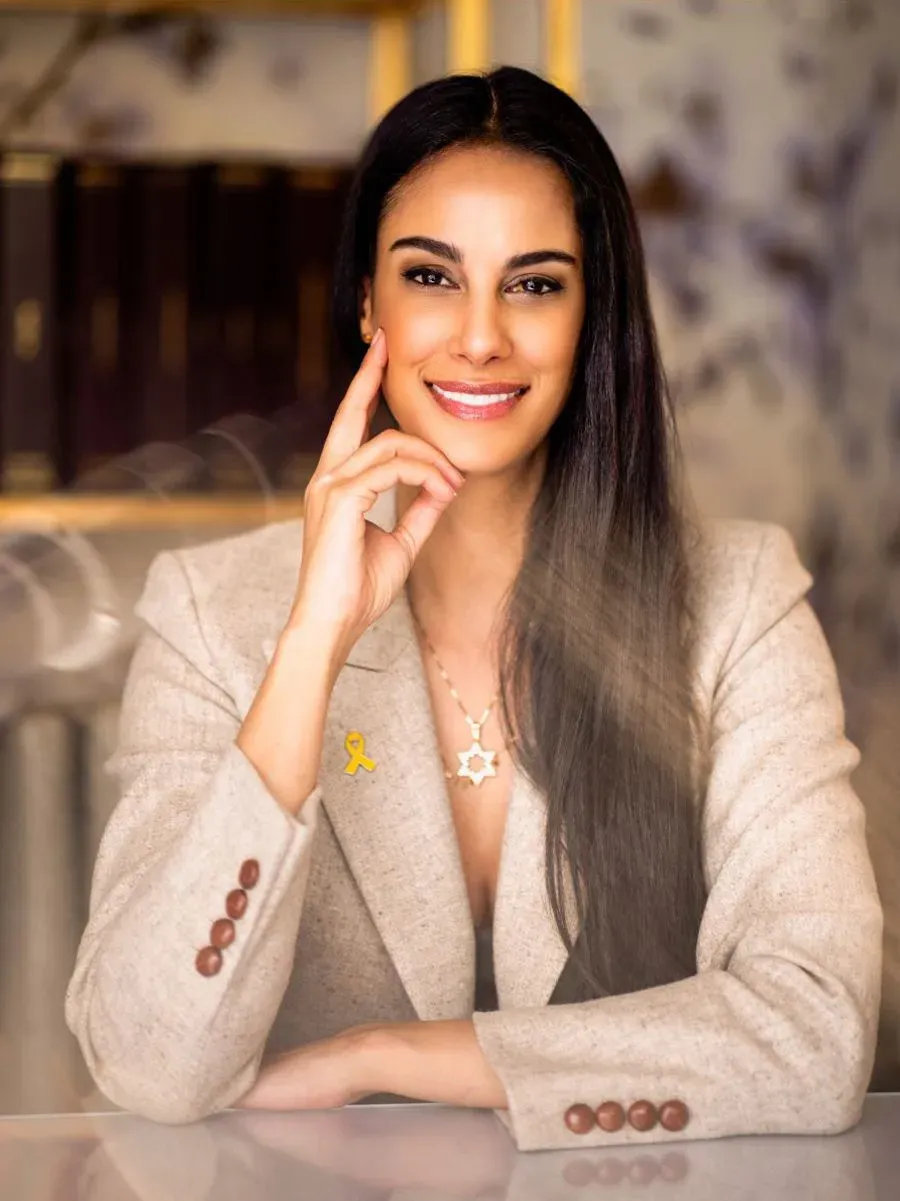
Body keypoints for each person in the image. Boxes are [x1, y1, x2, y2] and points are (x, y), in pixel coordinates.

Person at [65, 66, 882, 1152]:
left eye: (536, 284)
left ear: (593, 314)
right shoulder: (214, 612)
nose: (483, 337)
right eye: (432, 277)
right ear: (368, 301)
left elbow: (820, 1032)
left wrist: (401, 1056)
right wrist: (313, 642)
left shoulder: (739, 603)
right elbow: (148, 1060)